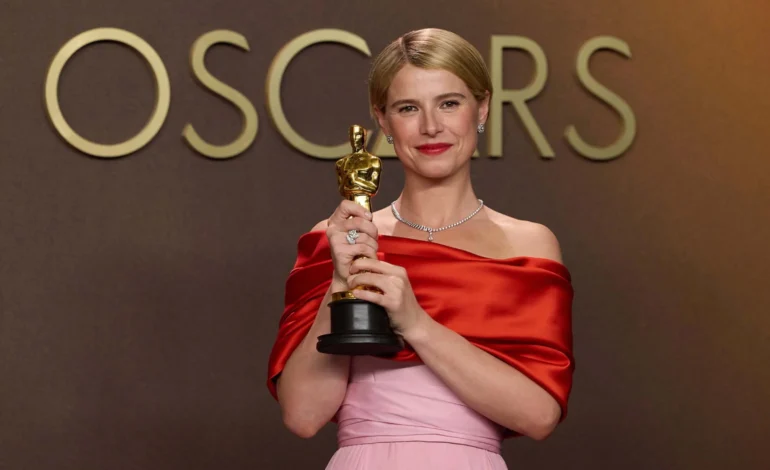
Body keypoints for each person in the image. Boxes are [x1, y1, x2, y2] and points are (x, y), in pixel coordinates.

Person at [267, 28, 574, 469]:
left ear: (482, 107)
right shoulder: (341, 239)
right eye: (408, 108)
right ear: (382, 120)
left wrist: (415, 322)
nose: (431, 126)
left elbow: (540, 416)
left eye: (449, 103)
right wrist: (342, 280)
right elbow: (302, 416)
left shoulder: (526, 245)